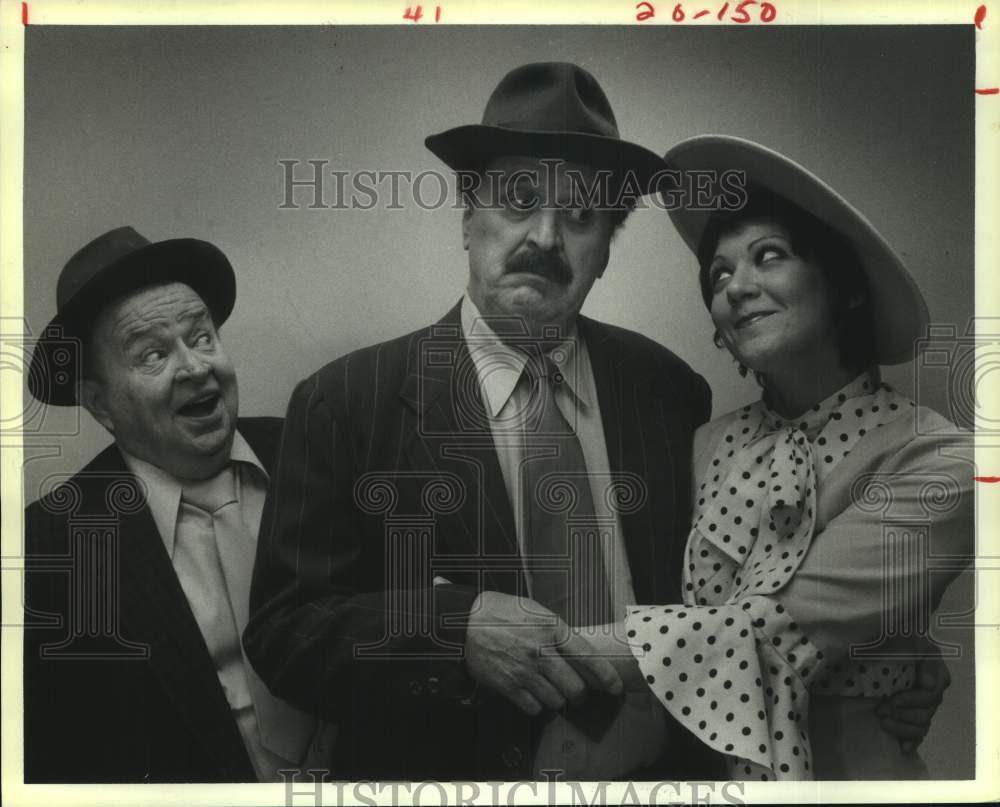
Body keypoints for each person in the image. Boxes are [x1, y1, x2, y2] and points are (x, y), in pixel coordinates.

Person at [244, 66, 946, 781]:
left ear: (607, 248)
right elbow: (284, 631)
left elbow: (753, 584)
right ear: (467, 215)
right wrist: (452, 629)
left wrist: (880, 656)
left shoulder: (669, 391)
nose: (544, 237)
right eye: (518, 200)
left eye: (580, 216)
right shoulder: (346, 400)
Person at [613, 136, 973, 779]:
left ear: (844, 287)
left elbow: (770, 632)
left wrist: (554, 646)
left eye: (768, 257)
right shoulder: (703, 444)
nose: (736, 289)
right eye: (718, 275)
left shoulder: (937, 460)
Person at [23, 226, 330, 782]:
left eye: (202, 336)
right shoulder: (48, 550)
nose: (195, 367)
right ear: (100, 404)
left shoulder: (320, 452)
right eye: (153, 354)